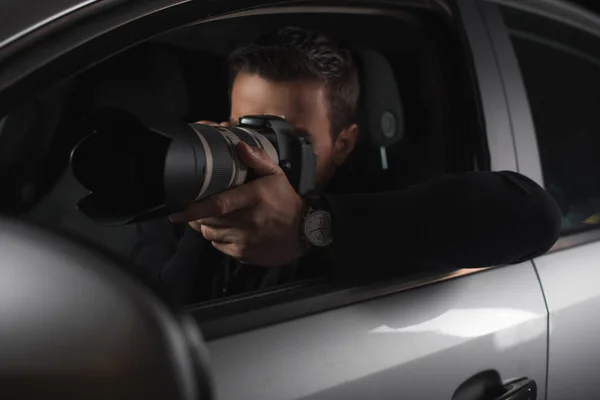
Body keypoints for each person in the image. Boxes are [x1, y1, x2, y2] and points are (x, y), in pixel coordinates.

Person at [133, 27, 562, 304]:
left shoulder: (385, 198)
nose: (256, 151)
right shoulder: (182, 200)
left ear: (343, 144)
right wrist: (207, 203)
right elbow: (155, 326)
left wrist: (315, 225)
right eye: (242, 128)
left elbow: (534, 215)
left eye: (285, 137)